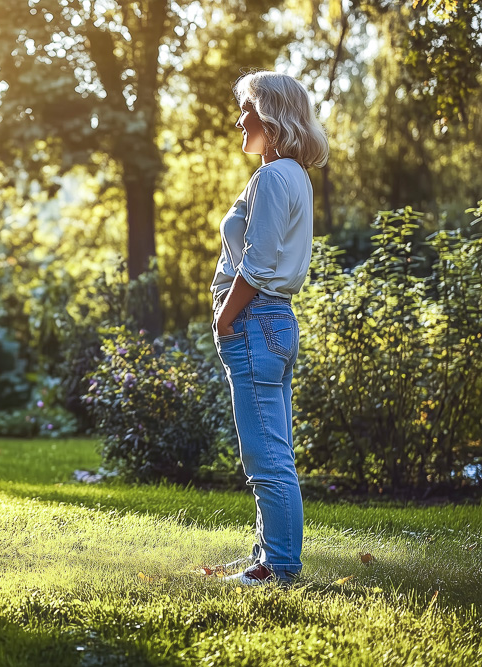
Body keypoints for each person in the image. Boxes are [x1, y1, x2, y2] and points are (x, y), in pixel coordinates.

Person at [210, 71, 329, 585]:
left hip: (256, 323)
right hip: (269, 325)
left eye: (249, 110)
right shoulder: (288, 175)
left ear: (273, 118)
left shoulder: (274, 177)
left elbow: (256, 267)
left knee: (266, 458)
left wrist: (224, 316)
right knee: (272, 451)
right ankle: (269, 557)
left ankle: (279, 568)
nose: (241, 120)